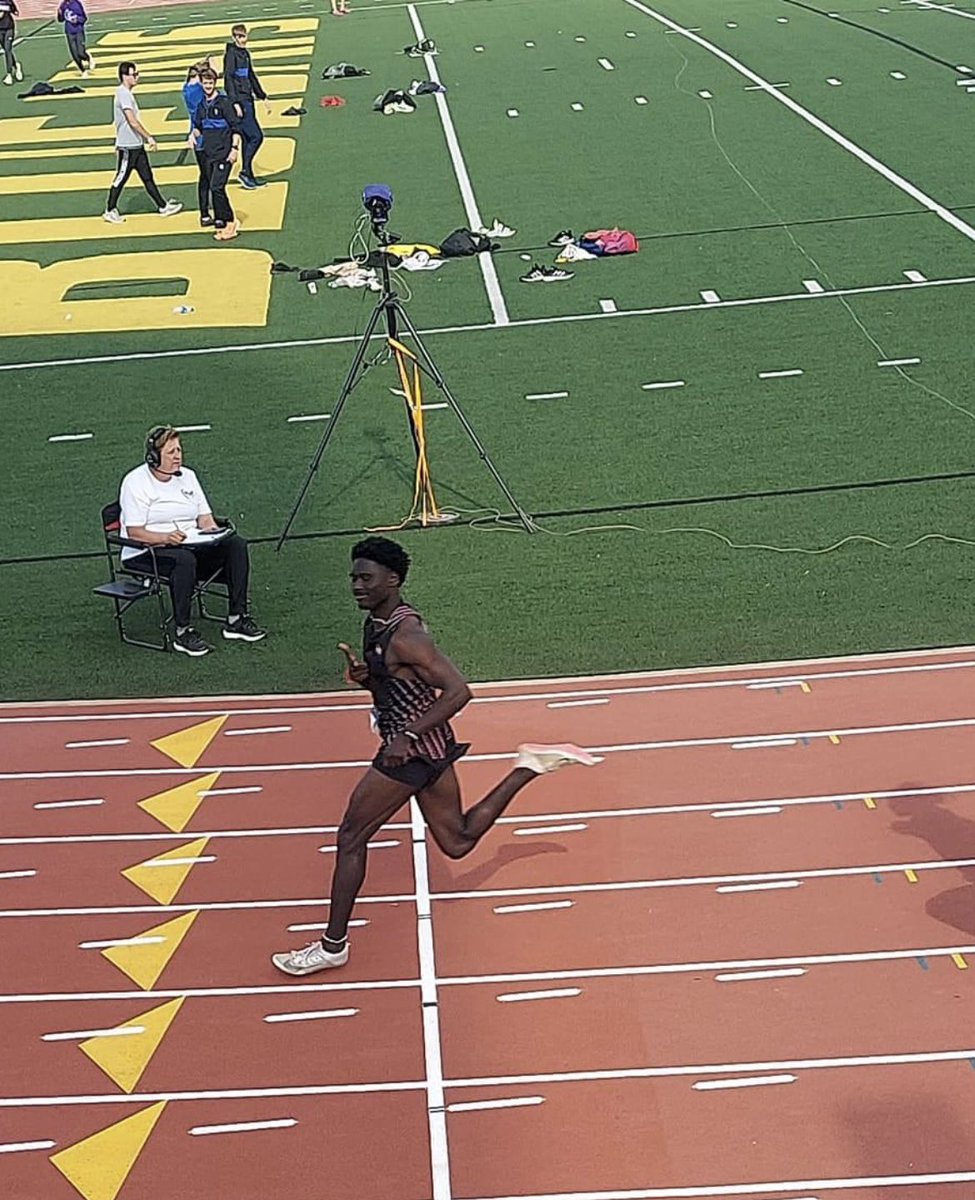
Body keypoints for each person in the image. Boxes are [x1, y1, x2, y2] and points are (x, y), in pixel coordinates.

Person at [272, 537, 598, 975]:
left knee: (351, 836)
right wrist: (368, 679)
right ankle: (528, 766)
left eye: (365, 578)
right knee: (458, 840)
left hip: (410, 754)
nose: (356, 585)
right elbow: (404, 684)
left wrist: (406, 734)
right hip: (432, 746)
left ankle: (333, 947)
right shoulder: (377, 624)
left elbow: (459, 690)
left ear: (394, 580)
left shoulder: (407, 636)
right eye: (353, 577)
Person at [118, 426, 267, 657]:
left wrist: (213, 532)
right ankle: (182, 632)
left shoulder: (188, 476)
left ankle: (237, 619)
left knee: (236, 545)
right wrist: (165, 538)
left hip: (191, 544)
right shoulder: (135, 482)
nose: (178, 456)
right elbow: (135, 532)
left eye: (179, 450)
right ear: (153, 457)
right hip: (147, 551)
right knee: (184, 560)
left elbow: (205, 518)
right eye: (171, 452)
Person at [104, 63, 183, 224]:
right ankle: (110, 209)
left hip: (135, 144)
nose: (137, 77)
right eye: (135, 74)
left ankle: (162, 206)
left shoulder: (125, 93)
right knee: (121, 177)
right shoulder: (124, 94)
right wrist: (149, 137)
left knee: (147, 177)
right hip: (128, 146)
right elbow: (131, 121)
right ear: (125, 76)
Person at [188, 66, 242, 241]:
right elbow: (198, 127)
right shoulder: (201, 105)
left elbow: (236, 128)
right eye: (205, 83)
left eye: (210, 83)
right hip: (209, 154)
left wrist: (234, 150)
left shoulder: (224, 103)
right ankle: (222, 221)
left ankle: (230, 221)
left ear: (215, 83)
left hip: (224, 153)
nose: (208, 86)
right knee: (214, 187)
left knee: (217, 187)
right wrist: (191, 135)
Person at [222, 24, 269, 189]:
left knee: (248, 138)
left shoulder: (245, 54)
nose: (243, 39)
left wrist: (262, 95)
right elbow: (228, 79)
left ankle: (248, 174)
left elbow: (251, 75)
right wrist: (234, 103)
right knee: (257, 137)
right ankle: (244, 171)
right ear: (234, 38)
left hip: (248, 99)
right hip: (240, 102)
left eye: (244, 36)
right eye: (240, 37)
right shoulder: (231, 55)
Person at [182, 60, 211, 226]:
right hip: (205, 136)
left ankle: (205, 212)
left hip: (198, 135)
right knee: (209, 177)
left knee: (205, 176)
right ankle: (207, 213)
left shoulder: (187, 88)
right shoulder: (197, 91)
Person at [56, 0, 94, 77]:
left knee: (80, 52)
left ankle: (87, 57)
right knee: (74, 54)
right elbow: (61, 20)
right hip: (69, 32)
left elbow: (84, 18)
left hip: (78, 31)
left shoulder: (77, 3)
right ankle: (82, 70)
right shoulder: (63, 5)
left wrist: (77, 20)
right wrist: (59, 14)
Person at [0, 0, 22, 86]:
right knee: (6, 49)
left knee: (7, 49)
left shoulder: (7, 1)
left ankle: (9, 74)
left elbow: (15, 11)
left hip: (9, 27)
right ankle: (16, 66)